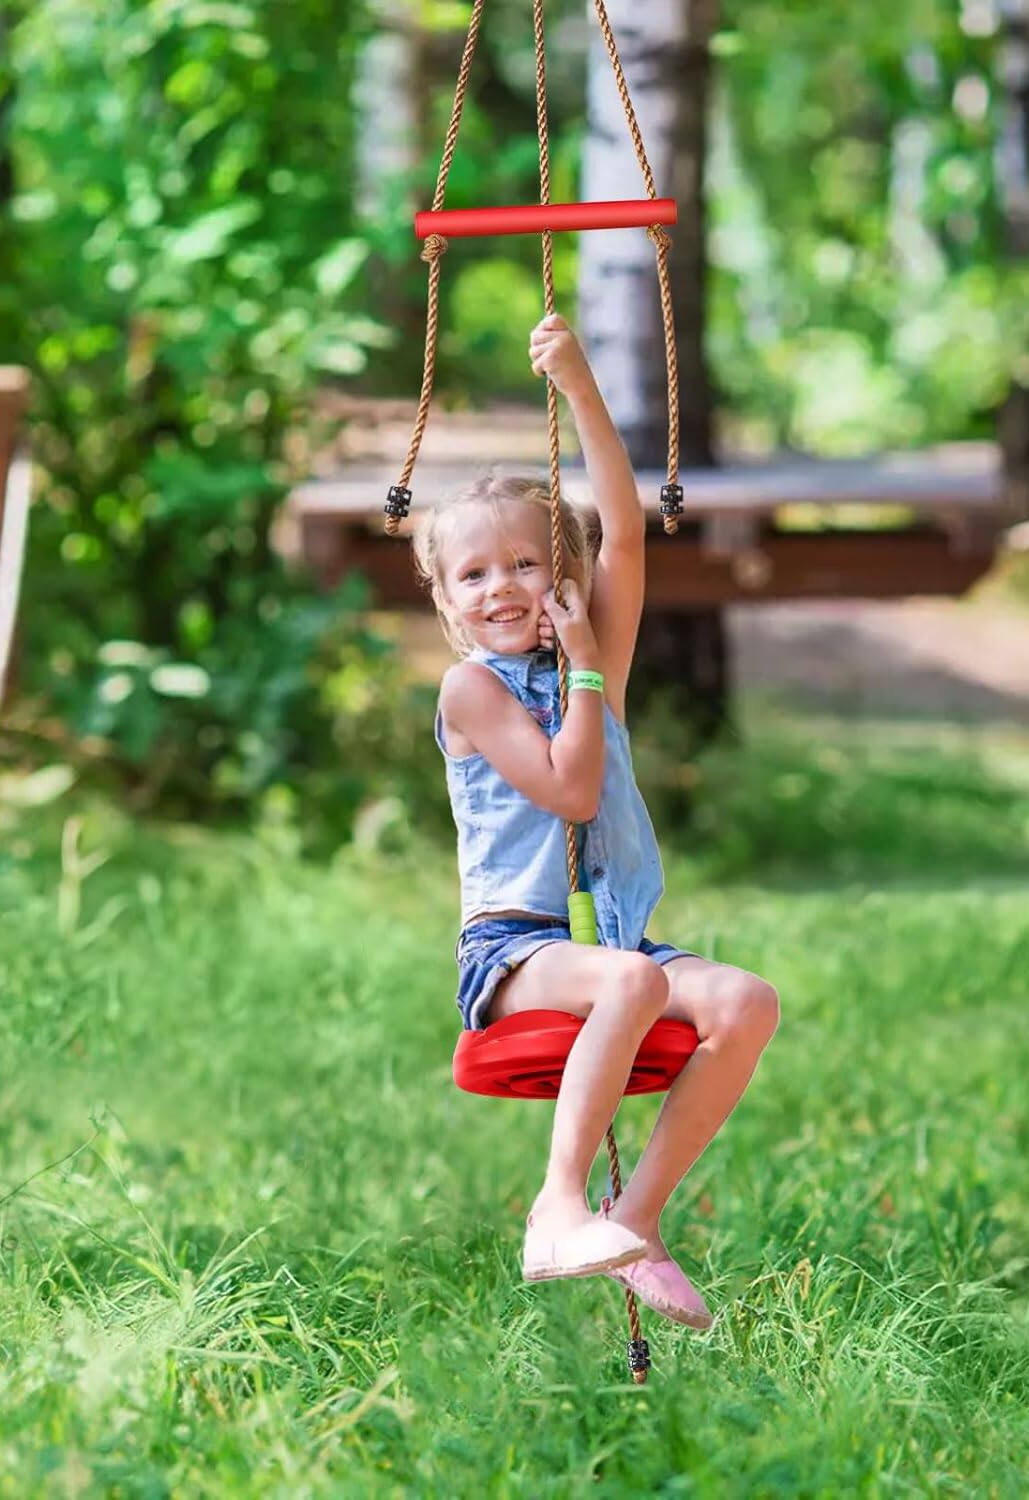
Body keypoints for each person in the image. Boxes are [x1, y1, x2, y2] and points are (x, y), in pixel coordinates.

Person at [411, 313, 780, 1331]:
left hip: (611, 937)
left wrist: (577, 384)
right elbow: (572, 793)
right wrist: (583, 672)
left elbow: (623, 528)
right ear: (447, 599)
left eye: (525, 565)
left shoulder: (591, 664)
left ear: (561, 575)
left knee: (745, 1000)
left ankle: (638, 1221)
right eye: (474, 575)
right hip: (514, 950)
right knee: (633, 980)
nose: (502, 588)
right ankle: (557, 1208)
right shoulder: (473, 691)